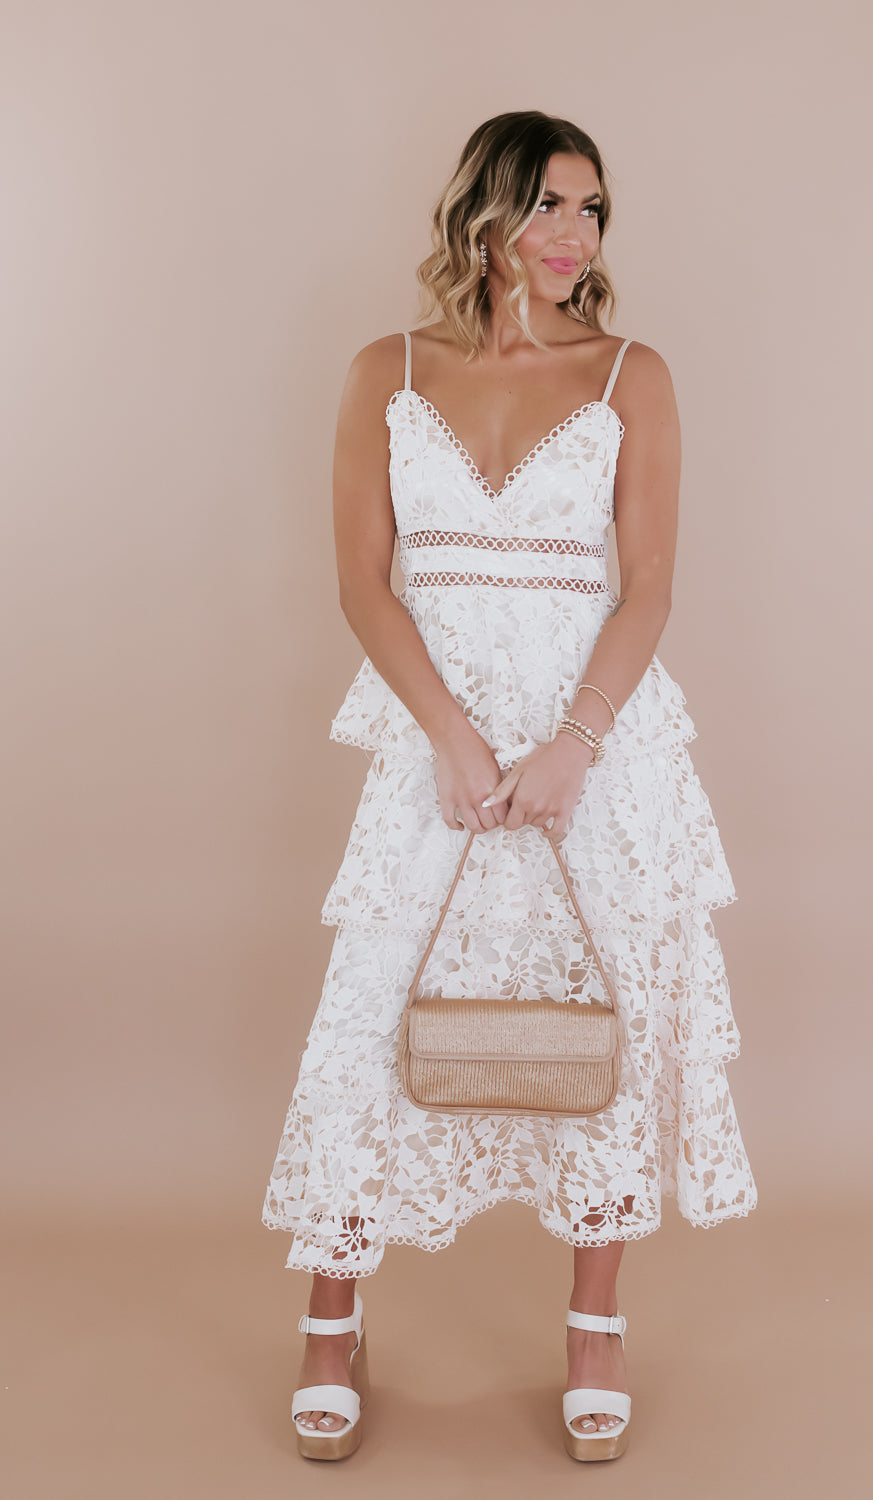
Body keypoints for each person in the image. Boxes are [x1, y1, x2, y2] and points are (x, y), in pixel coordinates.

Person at [262, 109, 757, 1463]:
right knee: (374, 1014)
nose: (573, 235)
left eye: (591, 210)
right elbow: (362, 582)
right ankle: (330, 1323)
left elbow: (647, 585)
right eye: (549, 204)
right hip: (439, 742)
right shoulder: (384, 370)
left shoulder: (632, 377)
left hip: (596, 747)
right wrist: (451, 736)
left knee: (604, 1008)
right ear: (484, 213)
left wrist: (574, 744)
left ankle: (595, 1330)